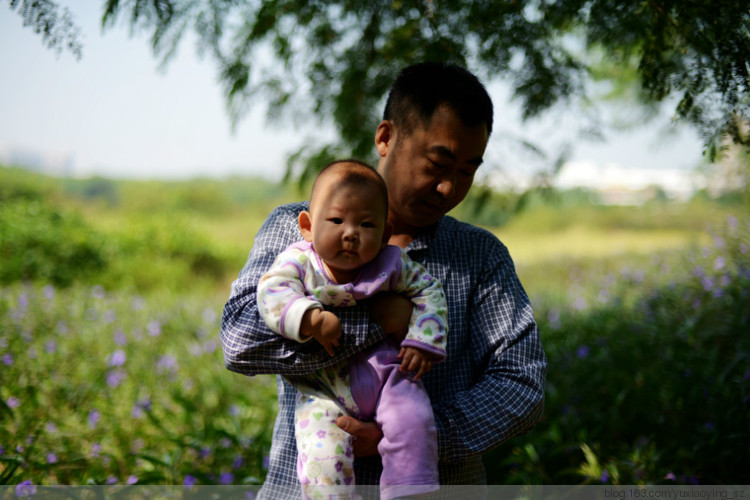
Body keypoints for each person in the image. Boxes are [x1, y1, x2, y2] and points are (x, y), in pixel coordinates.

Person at [220, 62, 547, 498]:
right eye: (437, 163)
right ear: (386, 138)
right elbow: (239, 342)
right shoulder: (294, 229)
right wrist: (374, 321)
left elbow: (521, 383)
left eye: (468, 170)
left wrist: (412, 438)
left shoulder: (481, 256)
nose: (449, 188)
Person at [256, 159, 447, 499]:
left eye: (366, 224)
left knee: (414, 419)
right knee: (322, 456)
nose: (350, 233)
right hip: (324, 389)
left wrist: (422, 339)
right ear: (307, 226)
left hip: (389, 374)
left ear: (386, 235)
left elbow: (429, 292)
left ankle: (409, 491)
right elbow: (271, 291)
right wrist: (309, 318)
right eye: (336, 220)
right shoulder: (300, 262)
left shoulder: (391, 263)